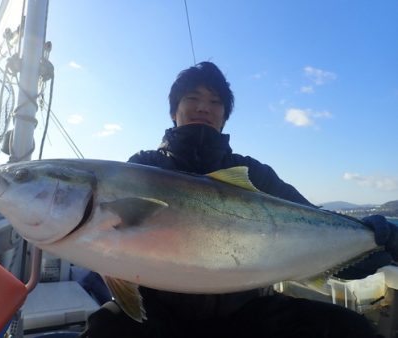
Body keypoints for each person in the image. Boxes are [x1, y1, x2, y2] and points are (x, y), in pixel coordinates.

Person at [80, 61, 397, 338]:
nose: (204, 107)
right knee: (106, 328)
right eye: (193, 98)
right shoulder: (144, 166)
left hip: (244, 313)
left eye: (215, 101)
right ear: (174, 110)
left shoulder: (253, 173)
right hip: (159, 311)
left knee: (347, 328)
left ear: (224, 115)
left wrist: (372, 237)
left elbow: (314, 225)